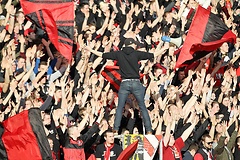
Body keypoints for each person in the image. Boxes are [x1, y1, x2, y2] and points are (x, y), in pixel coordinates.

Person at [86, 38, 168, 134]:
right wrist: (164, 48)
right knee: (142, 106)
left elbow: (103, 55)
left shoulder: (119, 53)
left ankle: (115, 129)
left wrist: (91, 50)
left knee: (120, 106)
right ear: (132, 45)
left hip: (124, 83)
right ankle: (149, 130)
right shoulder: (136, 53)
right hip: (136, 82)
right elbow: (153, 55)